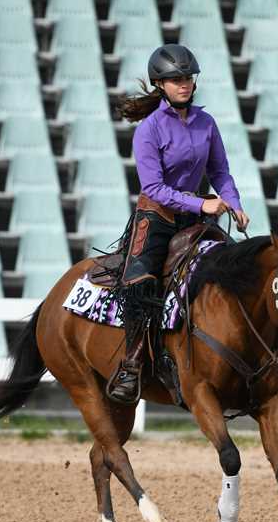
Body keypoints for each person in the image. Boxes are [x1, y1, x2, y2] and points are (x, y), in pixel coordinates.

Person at [106, 44, 250, 404]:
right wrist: (203, 203)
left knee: (236, 273)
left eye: (187, 77)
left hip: (196, 218)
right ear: (160, 84)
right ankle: (131, 365)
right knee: (141, 283)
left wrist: (233, 203)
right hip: (157, 217)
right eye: (174, 79)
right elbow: (153, 188)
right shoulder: (148, 129)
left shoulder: (206, 123)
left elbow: (220, 171)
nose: (183, 84)